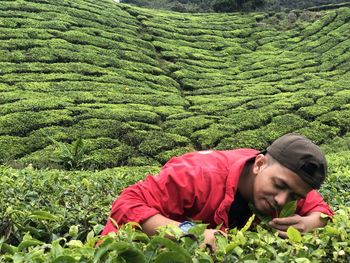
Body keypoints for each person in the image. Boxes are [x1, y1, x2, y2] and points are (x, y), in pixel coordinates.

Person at [101, 133, 333, 249]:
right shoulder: (197, 175)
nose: (281, 200)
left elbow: (321, 211)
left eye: (294, 196)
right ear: (260, 164)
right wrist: (189, 232)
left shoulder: (290, 181)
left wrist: (307, 224)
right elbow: (126, 204)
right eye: (279, 186)